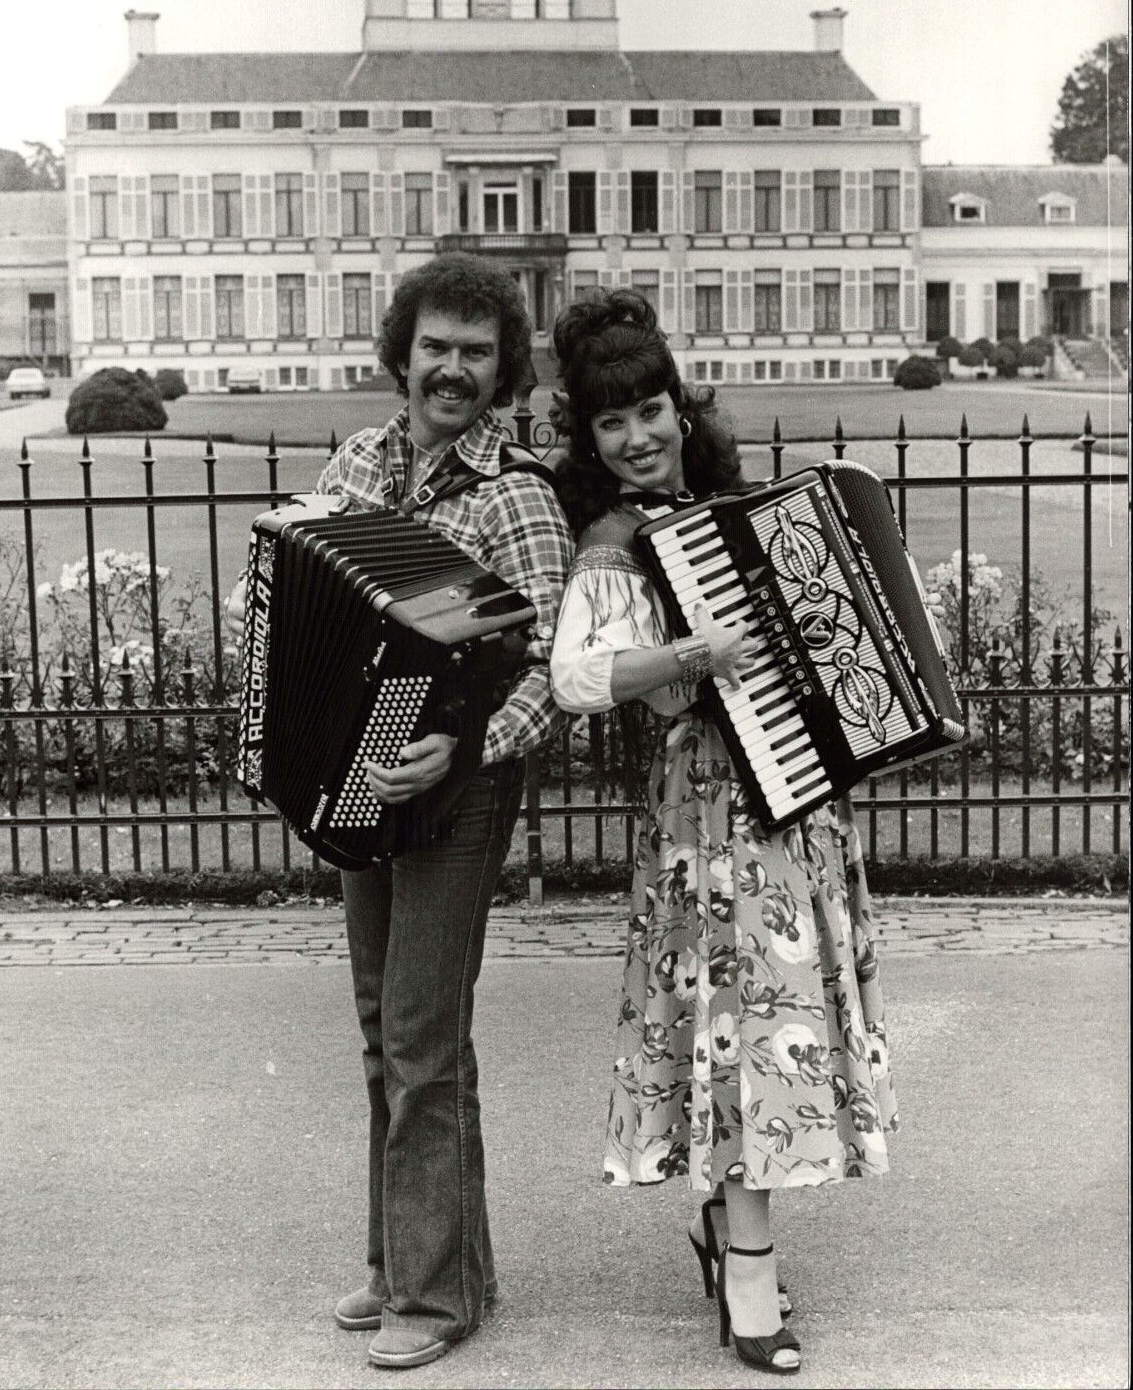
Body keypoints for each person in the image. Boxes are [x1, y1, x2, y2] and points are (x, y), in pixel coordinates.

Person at [226, 254, 573, 1371]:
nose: (453, 370)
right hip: (364, 777)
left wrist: (463, 745)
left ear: (503, 366)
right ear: (402, 353)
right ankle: (414, 1265)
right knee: (388, 1029)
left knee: (424, 1037)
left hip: (461, 789)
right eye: (435, 347)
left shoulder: (514, 491)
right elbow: (293, 588)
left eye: (476, 353)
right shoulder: (358, 462)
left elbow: (557, 665)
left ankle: (435, 1294)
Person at [548, 289, 900, 1377]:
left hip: (795, 810)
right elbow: (574, 679)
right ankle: (747, 1262)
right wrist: (688, 658)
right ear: (589, 438)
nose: (637, 437)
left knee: (772, 1019)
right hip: (703, 818)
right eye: (611, 423)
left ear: (678, 409)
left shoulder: (737, 512)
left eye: (649, 411)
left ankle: (729, 1229)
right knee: (736, 1026)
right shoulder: (614, 544)